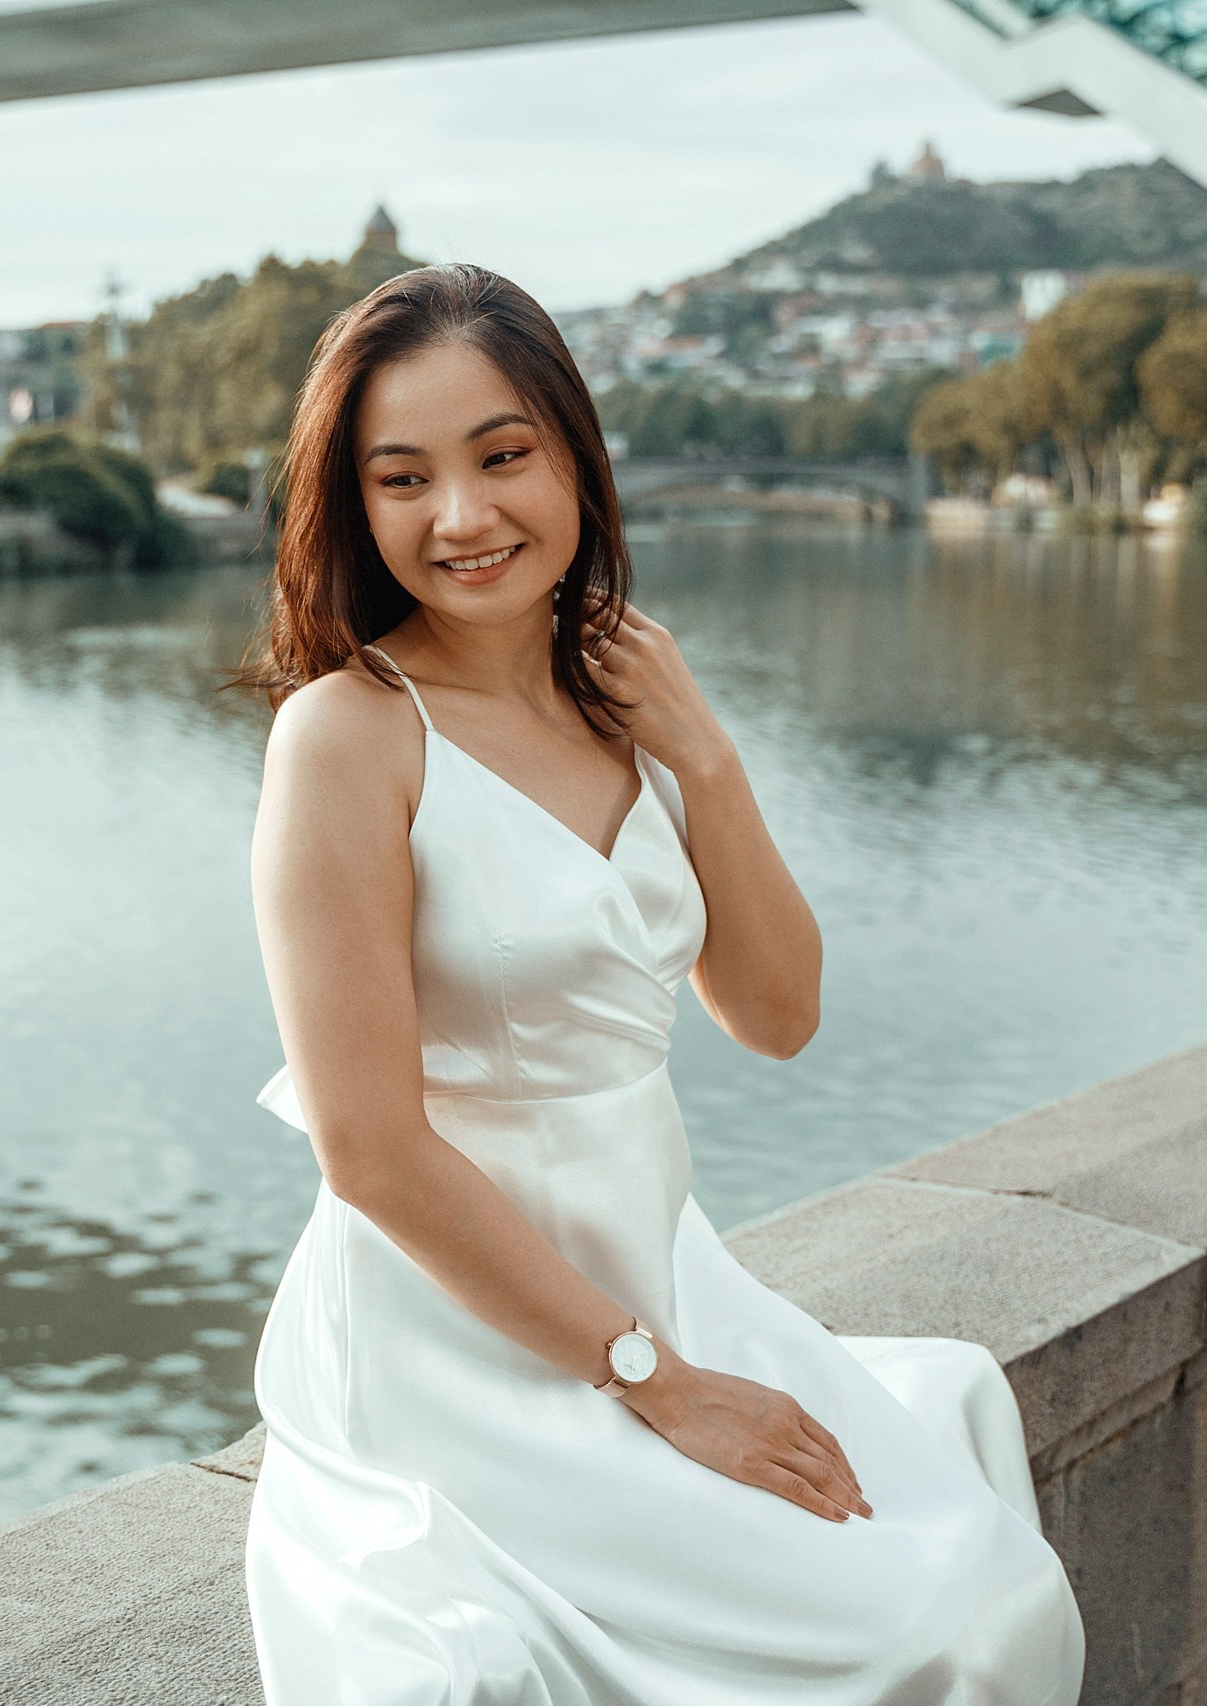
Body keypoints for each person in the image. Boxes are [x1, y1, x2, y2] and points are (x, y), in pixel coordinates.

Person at [236, 261, 1083, 1705]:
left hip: (663, 1273)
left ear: (576, 458)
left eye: (503, 456)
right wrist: (656, 1382)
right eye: (404, 478)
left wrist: (708, 758)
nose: (462, 517)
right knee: (917, 1632)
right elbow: (368, 1149)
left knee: (984, 1596)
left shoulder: (625, 699)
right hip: (452, 1334)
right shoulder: (348, 736)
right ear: (356, 507)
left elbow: (778, 1014)